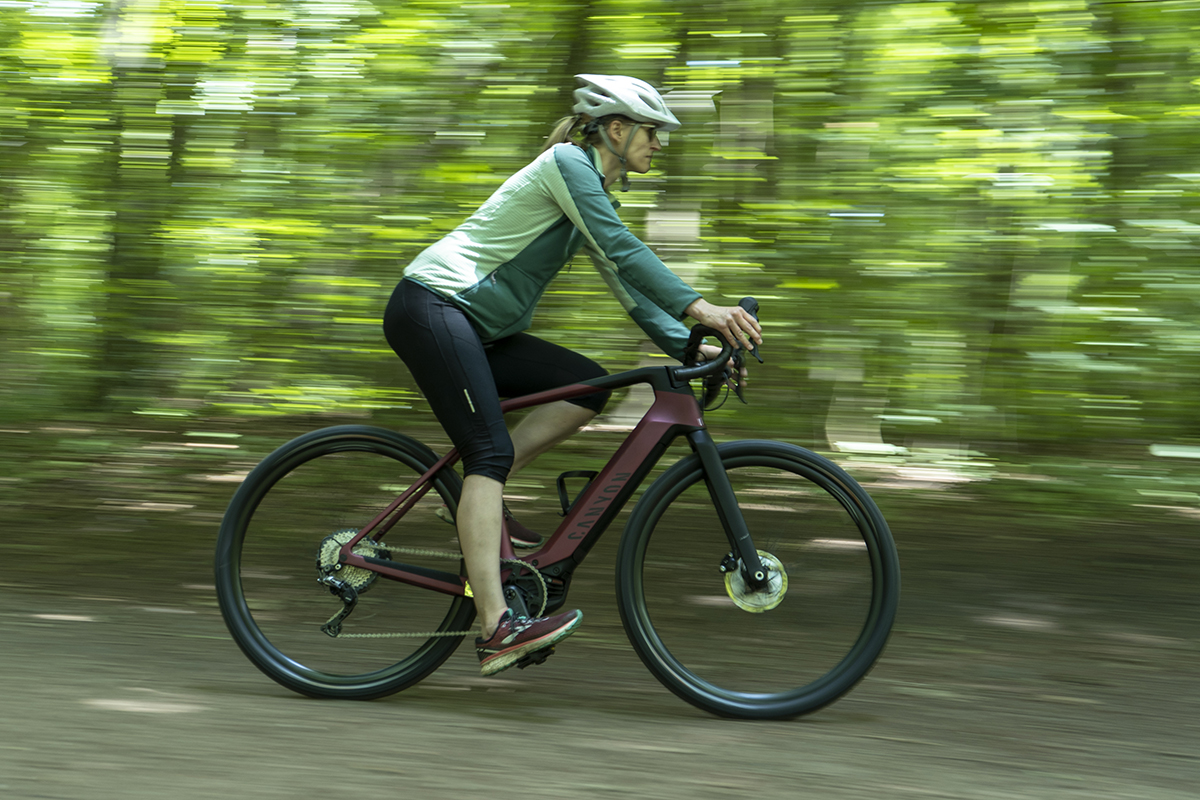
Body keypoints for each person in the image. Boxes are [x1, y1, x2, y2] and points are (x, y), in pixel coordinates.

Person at [383, 74, 762, 677]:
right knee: (489, 454)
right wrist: (703, 308)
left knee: (586, 388)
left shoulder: (592, 191)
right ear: (616, 129)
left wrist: (694, 345)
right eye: (652, 132)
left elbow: (628, 288)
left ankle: (476, 496)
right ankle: (497, 628)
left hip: (476, 326)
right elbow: (622, 247)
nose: (659, 144)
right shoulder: (566, 163)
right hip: (434, 306)